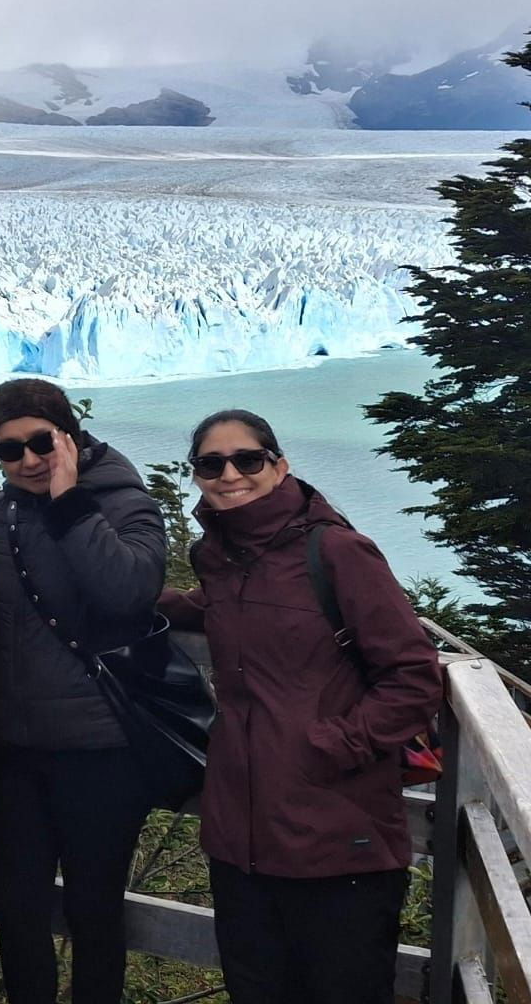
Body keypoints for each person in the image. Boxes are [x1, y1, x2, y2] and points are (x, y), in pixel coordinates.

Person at [159, 410, 442, 1004]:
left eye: (247, 459)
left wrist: (334, 746)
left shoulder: (336, 551)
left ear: (279, 465)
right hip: (240, 843)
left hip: (339, 839)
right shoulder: (219, 557)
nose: (230, 474)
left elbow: (414, 676)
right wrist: (111, 591)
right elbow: (216, 609)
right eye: (211, 464)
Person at [0, 378, 166, 1004]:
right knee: (16, 906)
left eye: (41, 442)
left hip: (100, 749)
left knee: (93, 909)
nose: (27, 460)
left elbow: (128, 593)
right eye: (9, 450)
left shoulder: (123, 501)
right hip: (16, 749)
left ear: (69, 436)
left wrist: (70, 501)